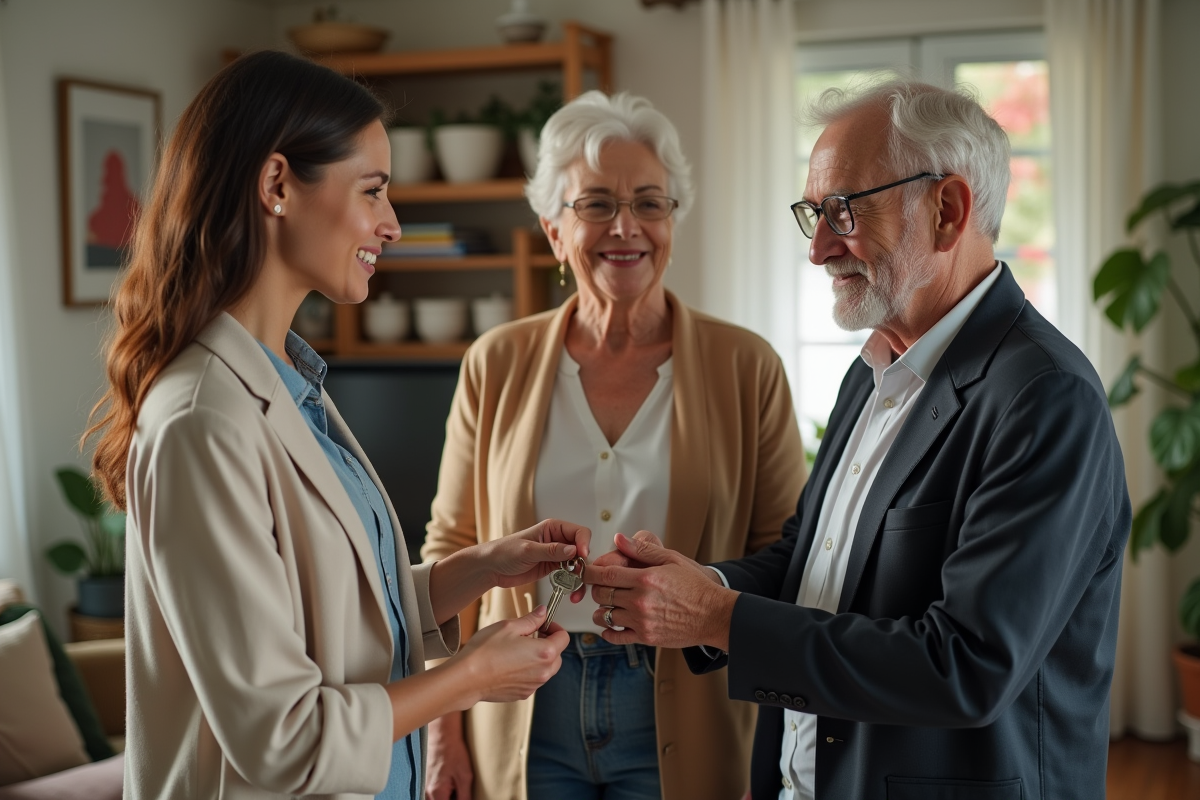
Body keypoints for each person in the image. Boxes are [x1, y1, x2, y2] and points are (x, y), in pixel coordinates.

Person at [584, 79, 1131, 800]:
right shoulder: (872, 368)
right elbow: (815, 564)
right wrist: (696, 587)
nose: (817, 249)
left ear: (948, 210)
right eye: (813, 212)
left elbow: (965, 667)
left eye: (843, 209)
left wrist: (719, 618)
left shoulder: (1043, 397)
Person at [84, 51, 589, 800]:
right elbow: (280, 737)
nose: (391, 225)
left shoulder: (290, 385)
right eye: (373, 191)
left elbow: (341, 616)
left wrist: (482, 567)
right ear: (278, 184)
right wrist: (468, 678)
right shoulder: (203, 419)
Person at [420, 91, 805, 800]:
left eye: (650, 203)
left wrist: (774, 749)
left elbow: (785, 561)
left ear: (672, 220)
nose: (625, 227)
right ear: (551, 229)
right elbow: (453, 545)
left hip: (695, 706)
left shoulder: (747, 365)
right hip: (522, 705)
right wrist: (443, 728)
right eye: (596, 204)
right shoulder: (495, 361)